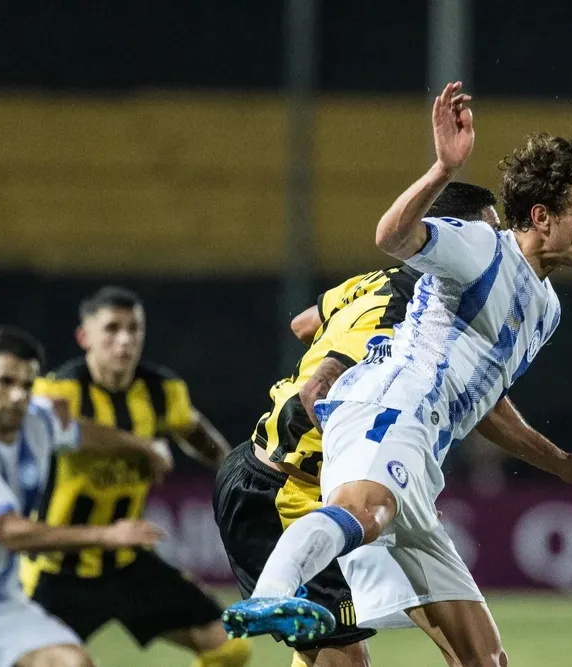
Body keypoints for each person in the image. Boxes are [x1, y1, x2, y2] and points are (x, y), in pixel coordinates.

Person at [222, 81, 572, 666]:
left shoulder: (546, 308)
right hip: (387, 410)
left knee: (485, 660)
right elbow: (392, 237)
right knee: (364, 509)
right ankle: (273, 594)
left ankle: (285, 587)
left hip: (422, 459)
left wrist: (564, 465)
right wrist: (442, 170)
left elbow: (485, 403)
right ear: (543, 217)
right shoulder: (482, 247)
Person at [214, 182, 501, 667]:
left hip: (337, 488)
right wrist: (368, 450)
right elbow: (318, 391)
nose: (500, 255)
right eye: (491, 239)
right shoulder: (407, 314)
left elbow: (303, 324)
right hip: (288, 490)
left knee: (477, 655)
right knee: (345, 658)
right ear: (454, 239)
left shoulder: (377, 283)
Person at [23, 287, 251, 667]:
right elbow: (68, 429)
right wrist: (142, 446)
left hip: (128, 563)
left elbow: (196, 432)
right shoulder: (60, 390)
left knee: (230, 647)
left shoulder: (162, 392)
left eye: (134, 328)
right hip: (58, 570)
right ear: (85, 338)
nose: (125, 339)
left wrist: (234, 474)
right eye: (112, 329)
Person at [0, 326, 168, 667]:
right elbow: (9, 532)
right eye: (5, 382)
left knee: (72, 663)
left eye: (27, 385)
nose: (18, 396)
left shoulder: (36, 420)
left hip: (1, 605)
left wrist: (143, 447)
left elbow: (80, 430)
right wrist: (107, 535)